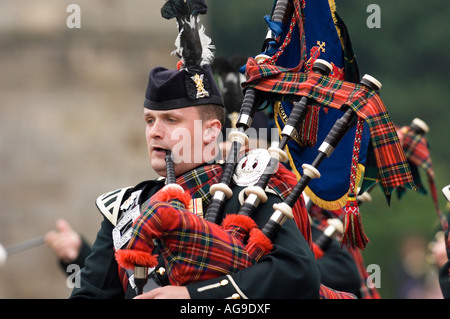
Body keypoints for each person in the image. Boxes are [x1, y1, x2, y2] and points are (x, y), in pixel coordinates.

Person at [69, 5, 320, 299]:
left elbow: (298, 275)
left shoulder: (252, 188)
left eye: (170, 120)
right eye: (149, 120)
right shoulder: (125, 211)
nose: (155, 131)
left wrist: (192, 298)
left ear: (212, 131)